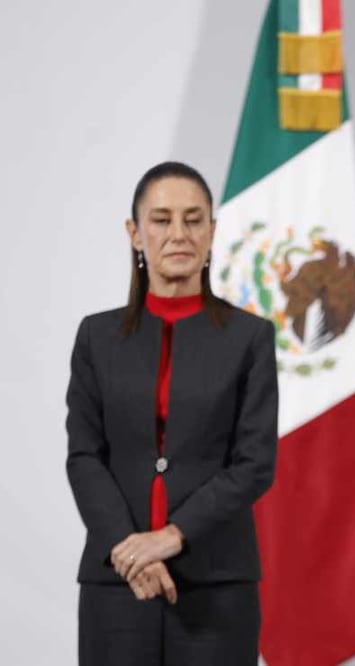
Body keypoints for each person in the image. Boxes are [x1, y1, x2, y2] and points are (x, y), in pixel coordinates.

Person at [66, 161, 278, 664]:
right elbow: (84, 457)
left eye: (193, 218)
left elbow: (254, 464)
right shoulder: (95, 337)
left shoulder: (250, 338)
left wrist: (169, 538)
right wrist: (129, 548)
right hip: (116, 584)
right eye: (161, 220)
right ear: (134, 233)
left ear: (212, 232)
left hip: (218, 586)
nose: (178, 233)